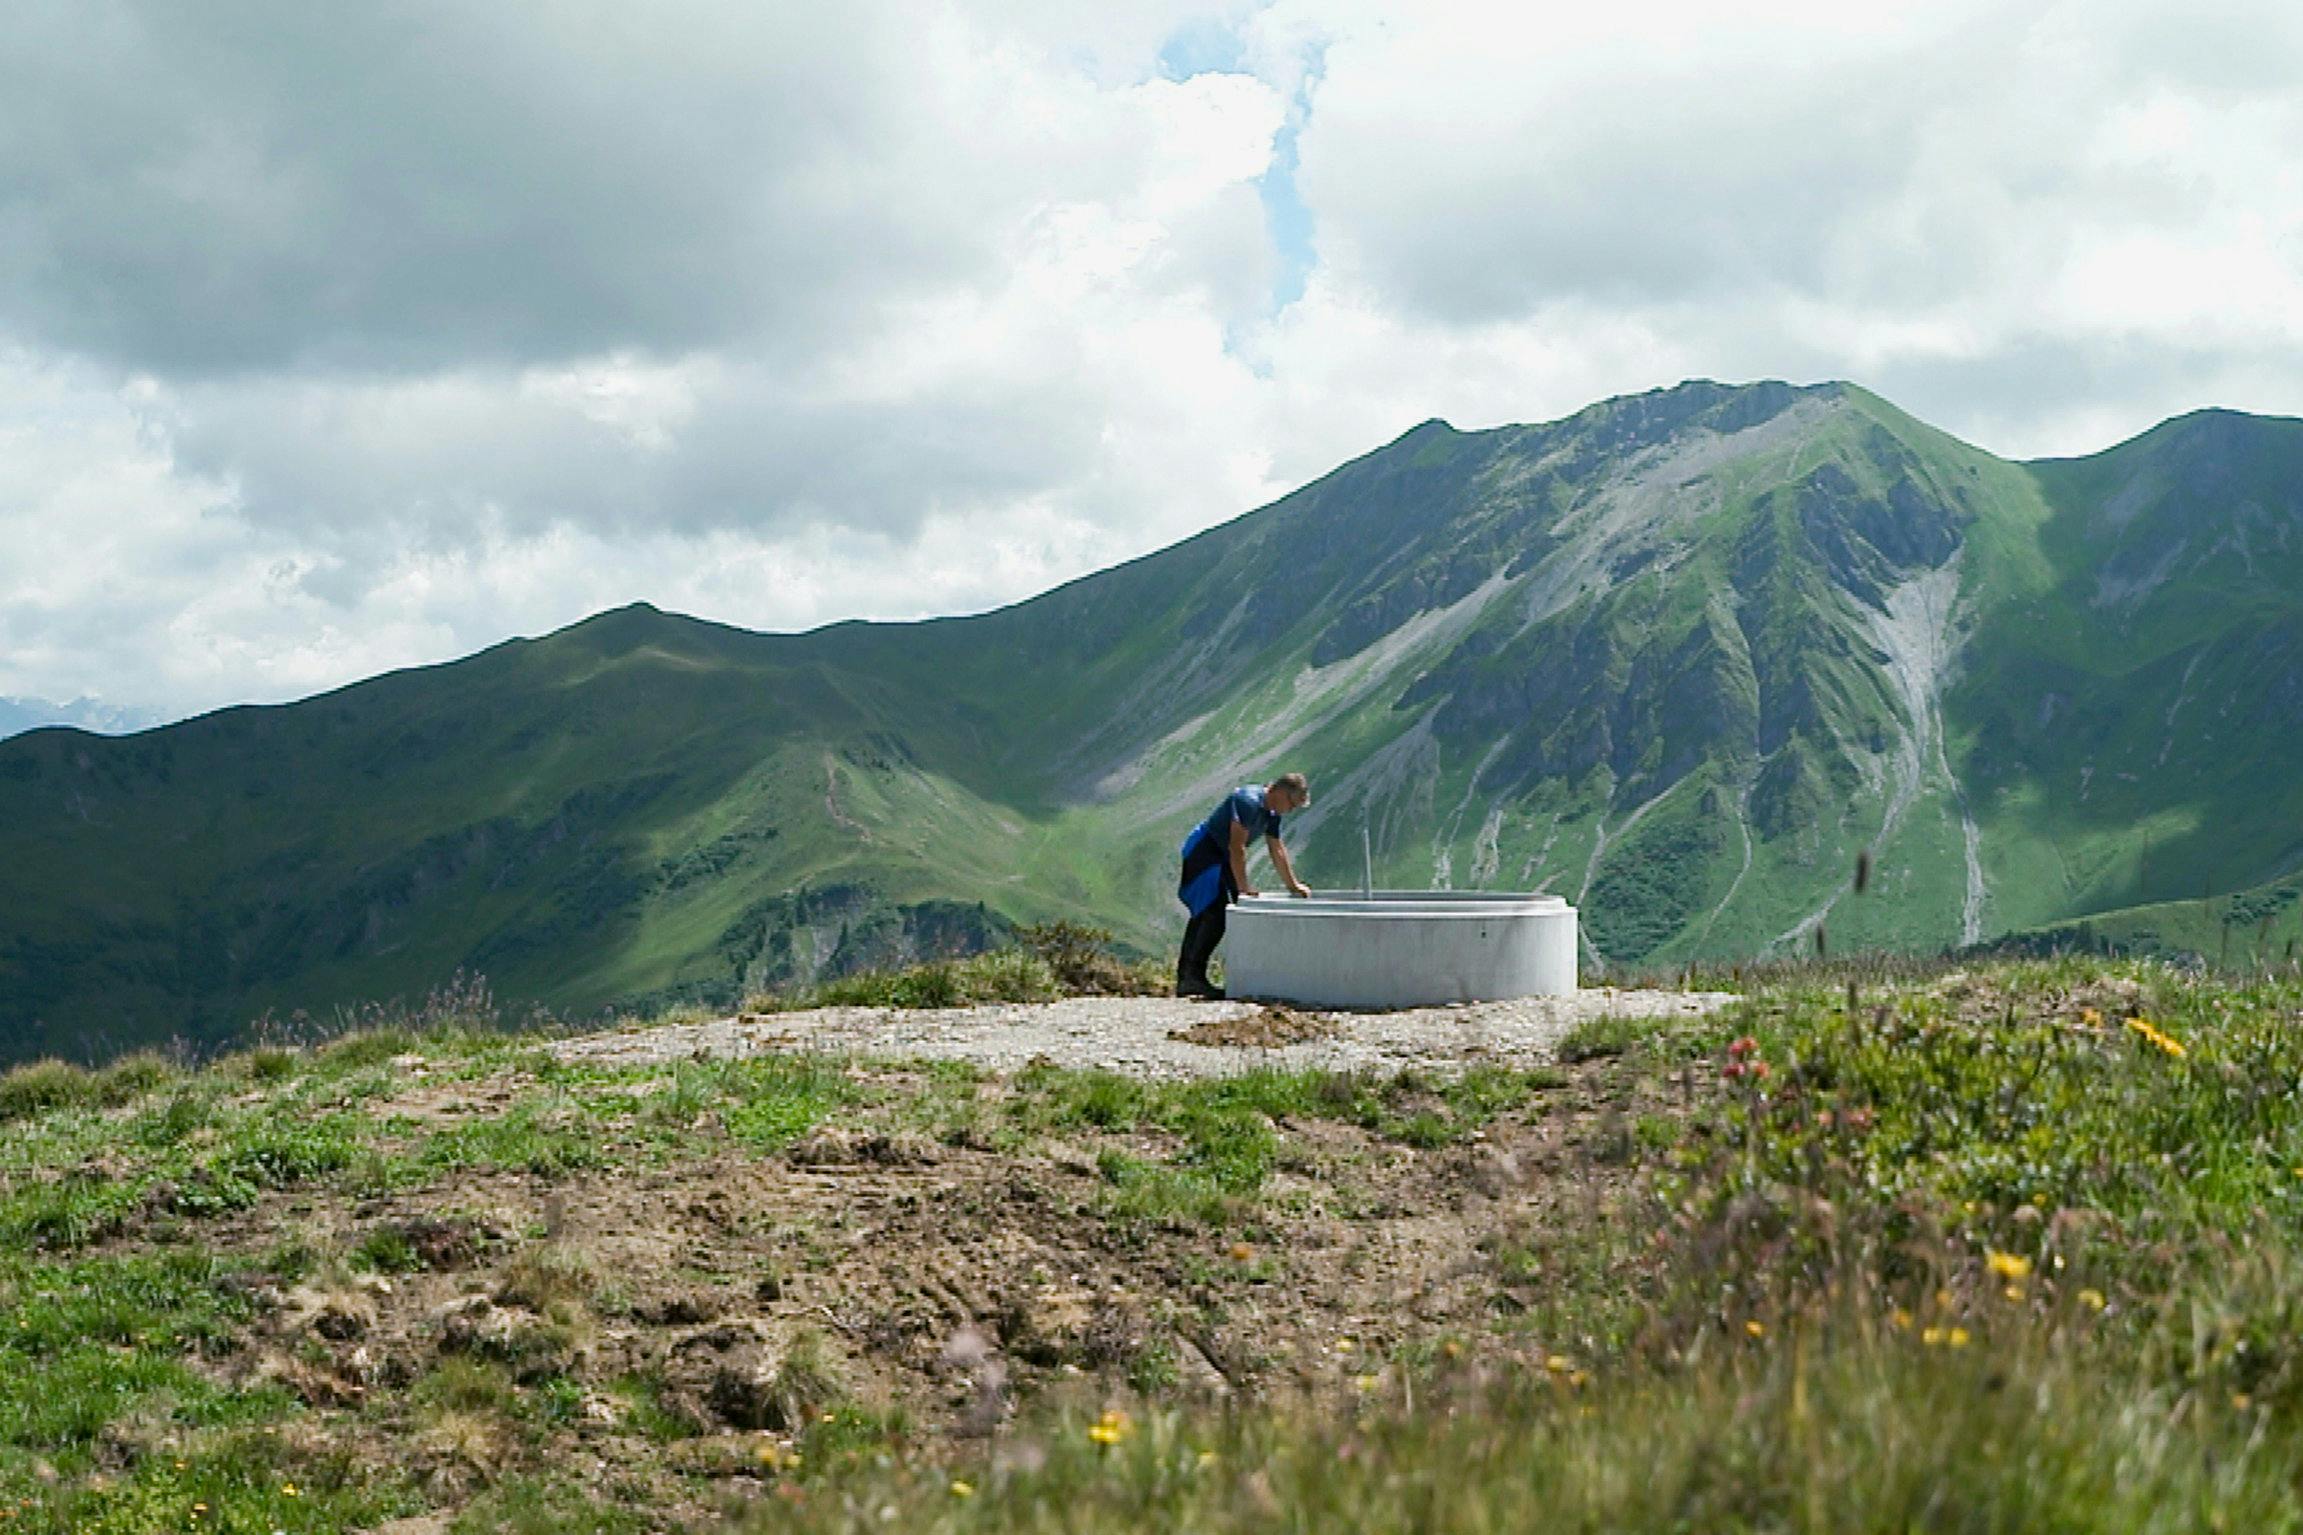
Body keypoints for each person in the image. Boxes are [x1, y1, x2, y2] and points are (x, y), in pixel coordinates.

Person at [1175, 772, 1312, 998]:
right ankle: (1191, 977)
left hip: (1222, 856)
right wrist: (1243, 888)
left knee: (1214, 913)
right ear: (1280, 792)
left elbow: (1276, 848)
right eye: (1292, 804)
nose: (1291, 810)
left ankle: (1188, 978)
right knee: (1213, 913)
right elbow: (1236, 847)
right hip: (1205, 851)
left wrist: (1293, 885)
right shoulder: (1248, 801)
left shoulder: (1271, 812)